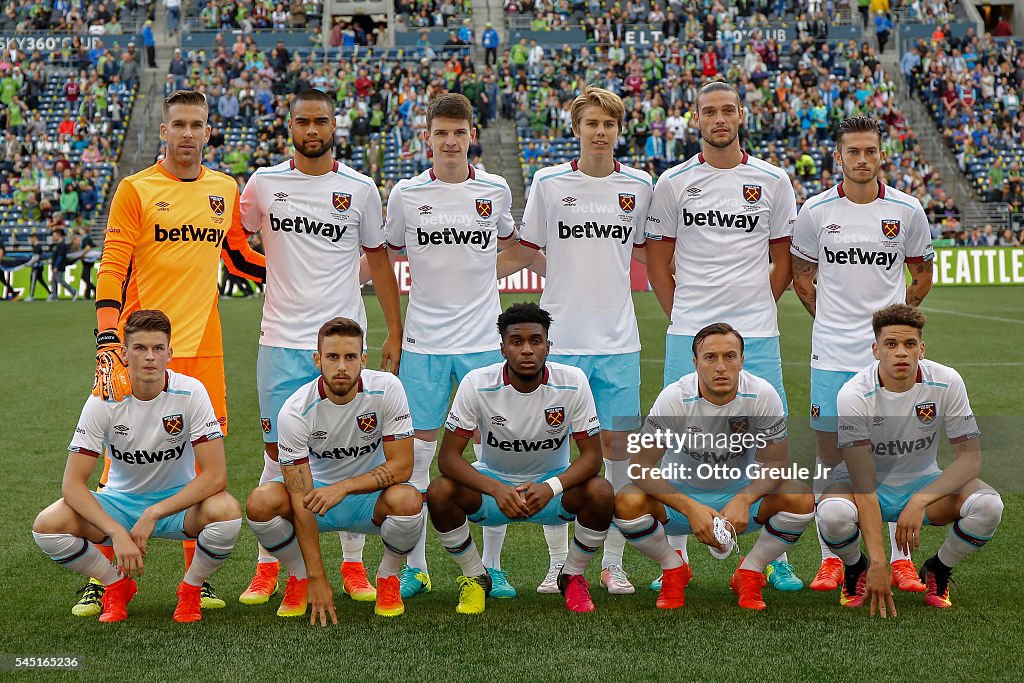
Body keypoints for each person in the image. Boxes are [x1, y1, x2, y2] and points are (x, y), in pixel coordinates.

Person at [78, 89, 265, 617]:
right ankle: (105, 577)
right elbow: (112, 264)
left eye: (197, 124)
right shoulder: (136, 189)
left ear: (209, 131)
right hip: (138, 348)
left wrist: (296, 265)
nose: (187, 133)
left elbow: (239, 256)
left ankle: (195, 580)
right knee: (117, 461)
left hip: (202, 349)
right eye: (178, 124)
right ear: (164, 130)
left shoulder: (225, 188)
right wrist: (107, 337)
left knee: (201, 465)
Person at [238, 89, 403, 606]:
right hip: (281, 342)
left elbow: (378, 261)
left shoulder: (358, 188)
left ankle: (353, 566)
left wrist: (393, 330)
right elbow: (237, 237)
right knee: (276, 458)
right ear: (289, 126)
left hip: (341, 344)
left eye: (322, 121)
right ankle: (279, 569)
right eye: (303, 122)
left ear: (336, 125)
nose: (313, 130)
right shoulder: (263, 184)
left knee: (352, 452)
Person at [496, 85, 652, 595]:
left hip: (619, 341)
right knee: (557, 453)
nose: (600, 132)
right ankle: (560, 563)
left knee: (618, 452)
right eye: (592, 123)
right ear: (577, 128)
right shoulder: (548, 182)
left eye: (609, 124)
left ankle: (611, 562)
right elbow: (527, 251)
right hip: (561, 342)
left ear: (619, 129)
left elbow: (654, 255)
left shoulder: (640, 186)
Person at [645, 81, 797, 591]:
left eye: (727, 110)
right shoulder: (673, 182)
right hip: (689, 329)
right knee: (677, 440)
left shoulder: (773, 181)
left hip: (757, 331)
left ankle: (768, 559)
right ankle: (680, 553)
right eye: (709, 111)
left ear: (740, 115)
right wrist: (687, 318)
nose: (719, 119)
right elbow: (659, 264)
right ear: (696, 118)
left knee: (763, 440)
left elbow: (784, 259)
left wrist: (754, 309)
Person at [791, 115, 936, 594]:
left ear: (881, 154)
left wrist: (894, 327)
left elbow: (921, 275)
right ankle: (834, 558)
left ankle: (899, 559)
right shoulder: (814, 211)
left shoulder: (908, 209)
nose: (861, 159)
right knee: (829, 455)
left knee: (892, 454)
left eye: (869, 151)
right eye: (852, 151)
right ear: (838, 156)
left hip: (886, 358)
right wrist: (830, 321)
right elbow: (802, 279)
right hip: (832, 354)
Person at [383, 93, 516, 600]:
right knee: (418, 456)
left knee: (492, 454)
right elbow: (388, 251)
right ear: (427, 138)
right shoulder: (406, 194)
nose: (450, 142)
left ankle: (492, 567)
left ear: (472, 135)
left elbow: (508, 243)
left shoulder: (496, 190)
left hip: (484, 340)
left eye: (459, 133)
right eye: (441, 133)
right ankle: (416, 566)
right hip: (425, 342)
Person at [32, 310, 242, 623]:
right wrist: (116, 532)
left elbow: (216, 476)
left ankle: (191, 588)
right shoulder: (103, 400)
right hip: (120, 503)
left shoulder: (191, 392)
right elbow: (72, 486)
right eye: (140, 348)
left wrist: (154, 512)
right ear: (125, 354)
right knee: (47, 526)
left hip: (175, 506)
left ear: (170, 354)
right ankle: (116, 585)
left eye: (158, 348)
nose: (150, 357)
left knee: (227, 512)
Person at [427, 303, 613, 614]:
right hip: (494, 491)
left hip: (551, 492)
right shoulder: (477, 383)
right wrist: (495, 488)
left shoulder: (573, 381)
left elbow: (593, 458)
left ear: (548, 347)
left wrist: (551, 487)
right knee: (439, 491)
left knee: (602, 491)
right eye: (517, 342)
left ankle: (572, 576)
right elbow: (448, 459)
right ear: (503, 348)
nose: (527, 350)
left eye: (535, 341)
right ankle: (475, 577)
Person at [816, 304, 1002, 614]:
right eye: (891, 344)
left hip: (922, 481)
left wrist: (919, 500)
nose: (901, 352)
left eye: (909, 344)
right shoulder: (853, 394)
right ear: (876, 350)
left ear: (922, 349)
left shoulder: (947, 381)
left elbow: (970, 459)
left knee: (988, 505)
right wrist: (877, 560)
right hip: (863, 485)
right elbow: (863, 485)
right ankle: (856, 568)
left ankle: (939, 569)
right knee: (832, 513)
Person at [615, 322, 814, 610]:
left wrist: (746, 498)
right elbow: (640, 466)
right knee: (626, 501)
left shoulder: (762, 394)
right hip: (681, 497)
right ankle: (673, 568)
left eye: (729, 356)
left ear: (742, 360)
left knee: (800, 497)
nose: (721, 366)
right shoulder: (675, 397)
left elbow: (776, 462)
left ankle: (750, 571)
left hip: (739, 497)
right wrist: (689, 507)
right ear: (696, 363)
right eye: (710, 358)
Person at [245, 318, 423, 622]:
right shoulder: (294, 410)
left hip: (367, 499)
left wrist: (343, 487)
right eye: (332, 357)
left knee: (408, 501)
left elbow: (403, 466)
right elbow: (299, 495)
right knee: (260, 503)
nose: (342, 366)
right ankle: (299, 578)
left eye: (350, 357)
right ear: (318, 360)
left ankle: (388, 578)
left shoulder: (387, 389)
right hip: (314, 502)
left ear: (363, 360)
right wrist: (316, 576)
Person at [48, 227, 77, 301]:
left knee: (59, 280)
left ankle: (73, 292)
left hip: (59, 266)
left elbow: (60, 257)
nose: (53, 237)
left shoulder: (62, 245)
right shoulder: (58, 244)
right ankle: (54, 296)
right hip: (55, 266)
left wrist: (56, 266)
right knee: (53, 281)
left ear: (58, 235)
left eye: (54, 235)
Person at [25, 233, 50, 302]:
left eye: (31, 239)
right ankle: (50, 293)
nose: (30, 240)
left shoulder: (37, 246)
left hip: (36, 267)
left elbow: (36, 258)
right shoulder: (37, 246)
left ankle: (31, 295)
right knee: (41, 281)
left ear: (34, 238)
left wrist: (28, 264)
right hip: (39, 266)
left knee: (33, 281)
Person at [77, 226, 96, 299]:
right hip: (88, 260)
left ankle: (94, 290)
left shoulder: (86, 238)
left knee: (85, 277)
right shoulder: (86, 238)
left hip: (87, 261)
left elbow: (88, 248)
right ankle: (87, 294)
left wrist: (81, 255)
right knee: (86, 277)